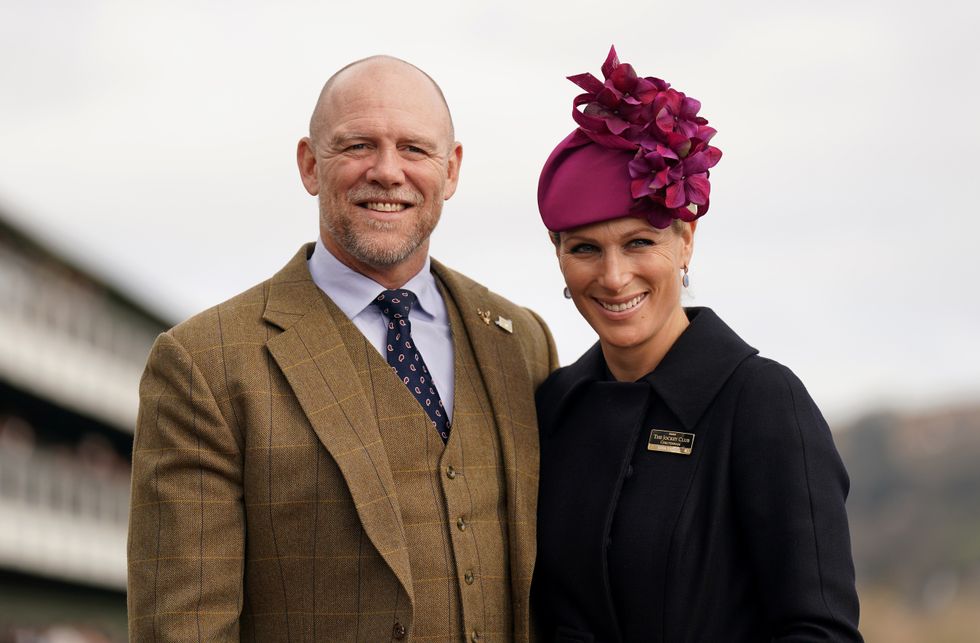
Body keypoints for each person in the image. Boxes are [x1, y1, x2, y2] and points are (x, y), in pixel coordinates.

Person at [127, 55, 558, 642]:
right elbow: (183, 630)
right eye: (357, 145)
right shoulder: (205, 363)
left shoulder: (521, 340)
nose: (387, 171)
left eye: (414, 149)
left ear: (451, 170)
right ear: (309, 165)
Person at [531, 46, 863, 642]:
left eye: (639, 243)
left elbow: (819, 631)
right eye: (584, 249)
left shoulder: (763, 403)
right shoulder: (555, 408)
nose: (612, 277)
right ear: (558, 259)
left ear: (686, 242)